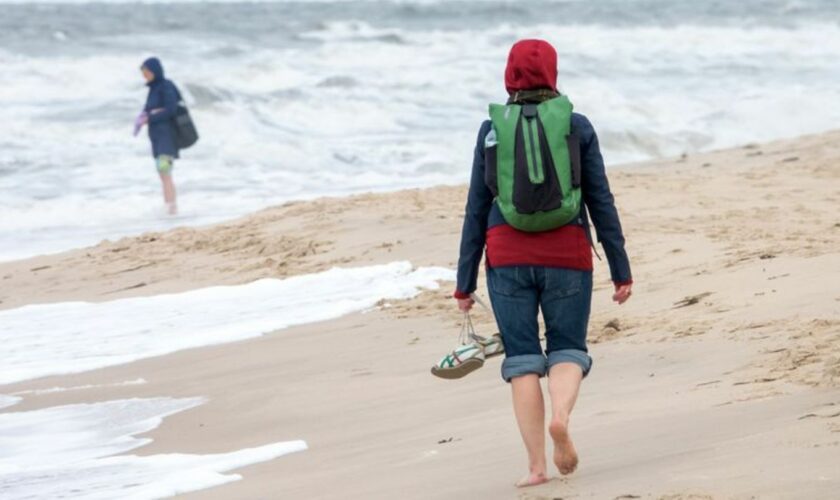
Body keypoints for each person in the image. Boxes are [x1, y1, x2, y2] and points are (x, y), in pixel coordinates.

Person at [454, 39, 633, 487]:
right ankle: (562, 418)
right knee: (567, 348)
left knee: (522, 360)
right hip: (567, 253)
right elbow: (601, 199)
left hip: (507, 256)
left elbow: (476, 206)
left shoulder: (490, 131)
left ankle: (536, 468)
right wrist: (620, 267)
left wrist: (463, 282)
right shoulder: (576, 126)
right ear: (552, 73)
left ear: (509, 75)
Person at [136, 57, 180, 215]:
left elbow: (171, 109)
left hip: (166, 137)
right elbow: (149, 110)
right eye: (143, 72)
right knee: (163, 173)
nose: (144, 75)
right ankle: (170, 207)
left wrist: (151, 117)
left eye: (147, 72)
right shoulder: (153, 89)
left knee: (165, 171)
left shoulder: (166, 86)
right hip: (156, 138)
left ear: (155, 71)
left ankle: (171, 209)